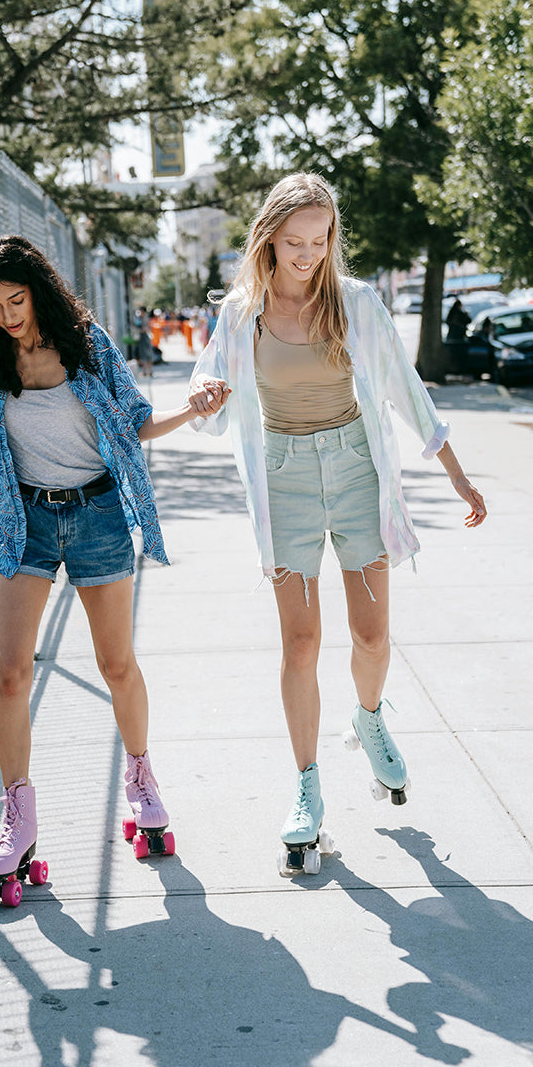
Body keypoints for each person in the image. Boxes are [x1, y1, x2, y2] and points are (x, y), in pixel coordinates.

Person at [0, 235, 222, 897]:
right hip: (25, 523)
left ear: (40, 291)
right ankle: (18, 815)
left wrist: (194, 409)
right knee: (10, 673)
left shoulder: (86, 347)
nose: (7, 315)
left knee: (117, 664)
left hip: (97, 518)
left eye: (17, 300)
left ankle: (142, 778)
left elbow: (135, 424)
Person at [188, 173, 486, 875]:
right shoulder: (241, 313)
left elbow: (405, 392)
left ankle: (370, 715)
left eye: (321, 241)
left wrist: (457, 473)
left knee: (372, 633)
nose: (309, 254)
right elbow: (212, 396)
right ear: (268, 239)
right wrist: (203, 398)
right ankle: (306, 788)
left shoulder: (356, 304)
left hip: (356, 471)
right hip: (285, 477)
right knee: (299, 643)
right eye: (295, 241)